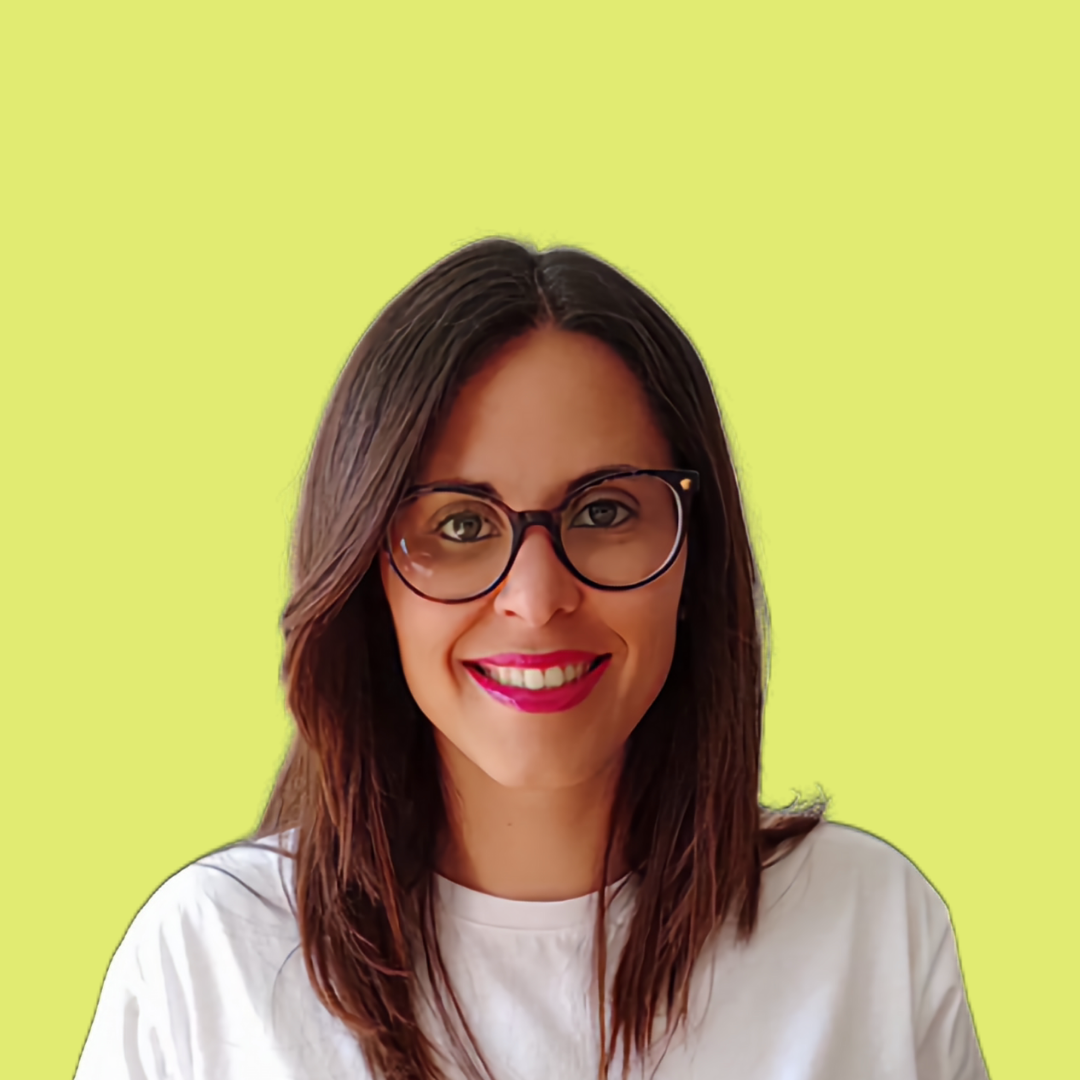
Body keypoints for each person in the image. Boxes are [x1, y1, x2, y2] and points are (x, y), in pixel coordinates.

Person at [74, 238, 989, 1080]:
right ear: (366, 578)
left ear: (694, 553)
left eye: (604, 512)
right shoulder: (207, 964)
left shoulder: (875, 931)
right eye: (460, 525)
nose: (536, 597)